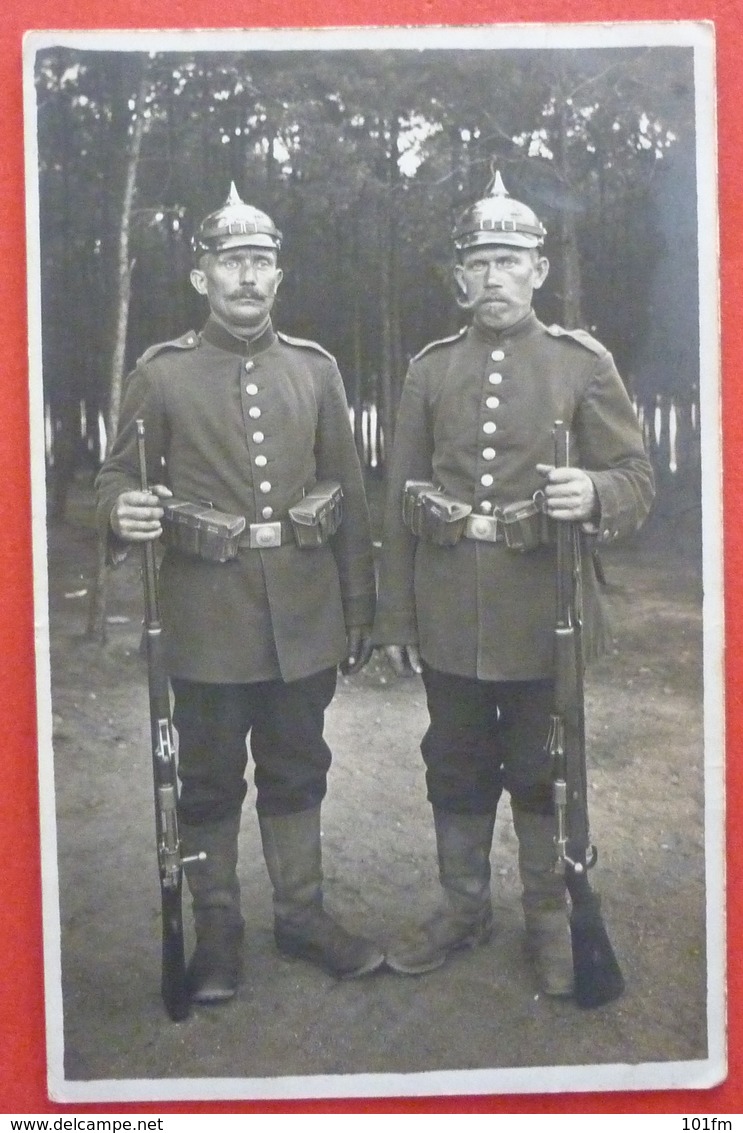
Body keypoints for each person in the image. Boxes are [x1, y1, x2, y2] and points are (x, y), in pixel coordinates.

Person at [96, 184, 384, 1005]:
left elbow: (349, 493)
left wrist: (358, 608)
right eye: (231, 263)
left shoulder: (314, 368)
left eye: (260, 263)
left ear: (278, 277)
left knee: (298, 766)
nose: (247, 279)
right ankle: (217, 926)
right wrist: (124, 505)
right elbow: (115, 476)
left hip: (302, 613)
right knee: (211, 778)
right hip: (205, 619)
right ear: (201, 278)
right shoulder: (161, 373)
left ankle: (301, 915)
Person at [372, 171, 655, 997]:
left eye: (508, 259)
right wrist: (395, 618)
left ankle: (546, 918)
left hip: (546, 608)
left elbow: (635, 476)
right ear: (458, 277)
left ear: (537, 269)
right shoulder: (429, 371)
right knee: (454, 762)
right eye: (478, 262)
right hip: (450, 608)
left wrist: (593, 493)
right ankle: (463, 908)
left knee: (542, 767)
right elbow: (399, 499)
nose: (493, 276)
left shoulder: (580, 363)